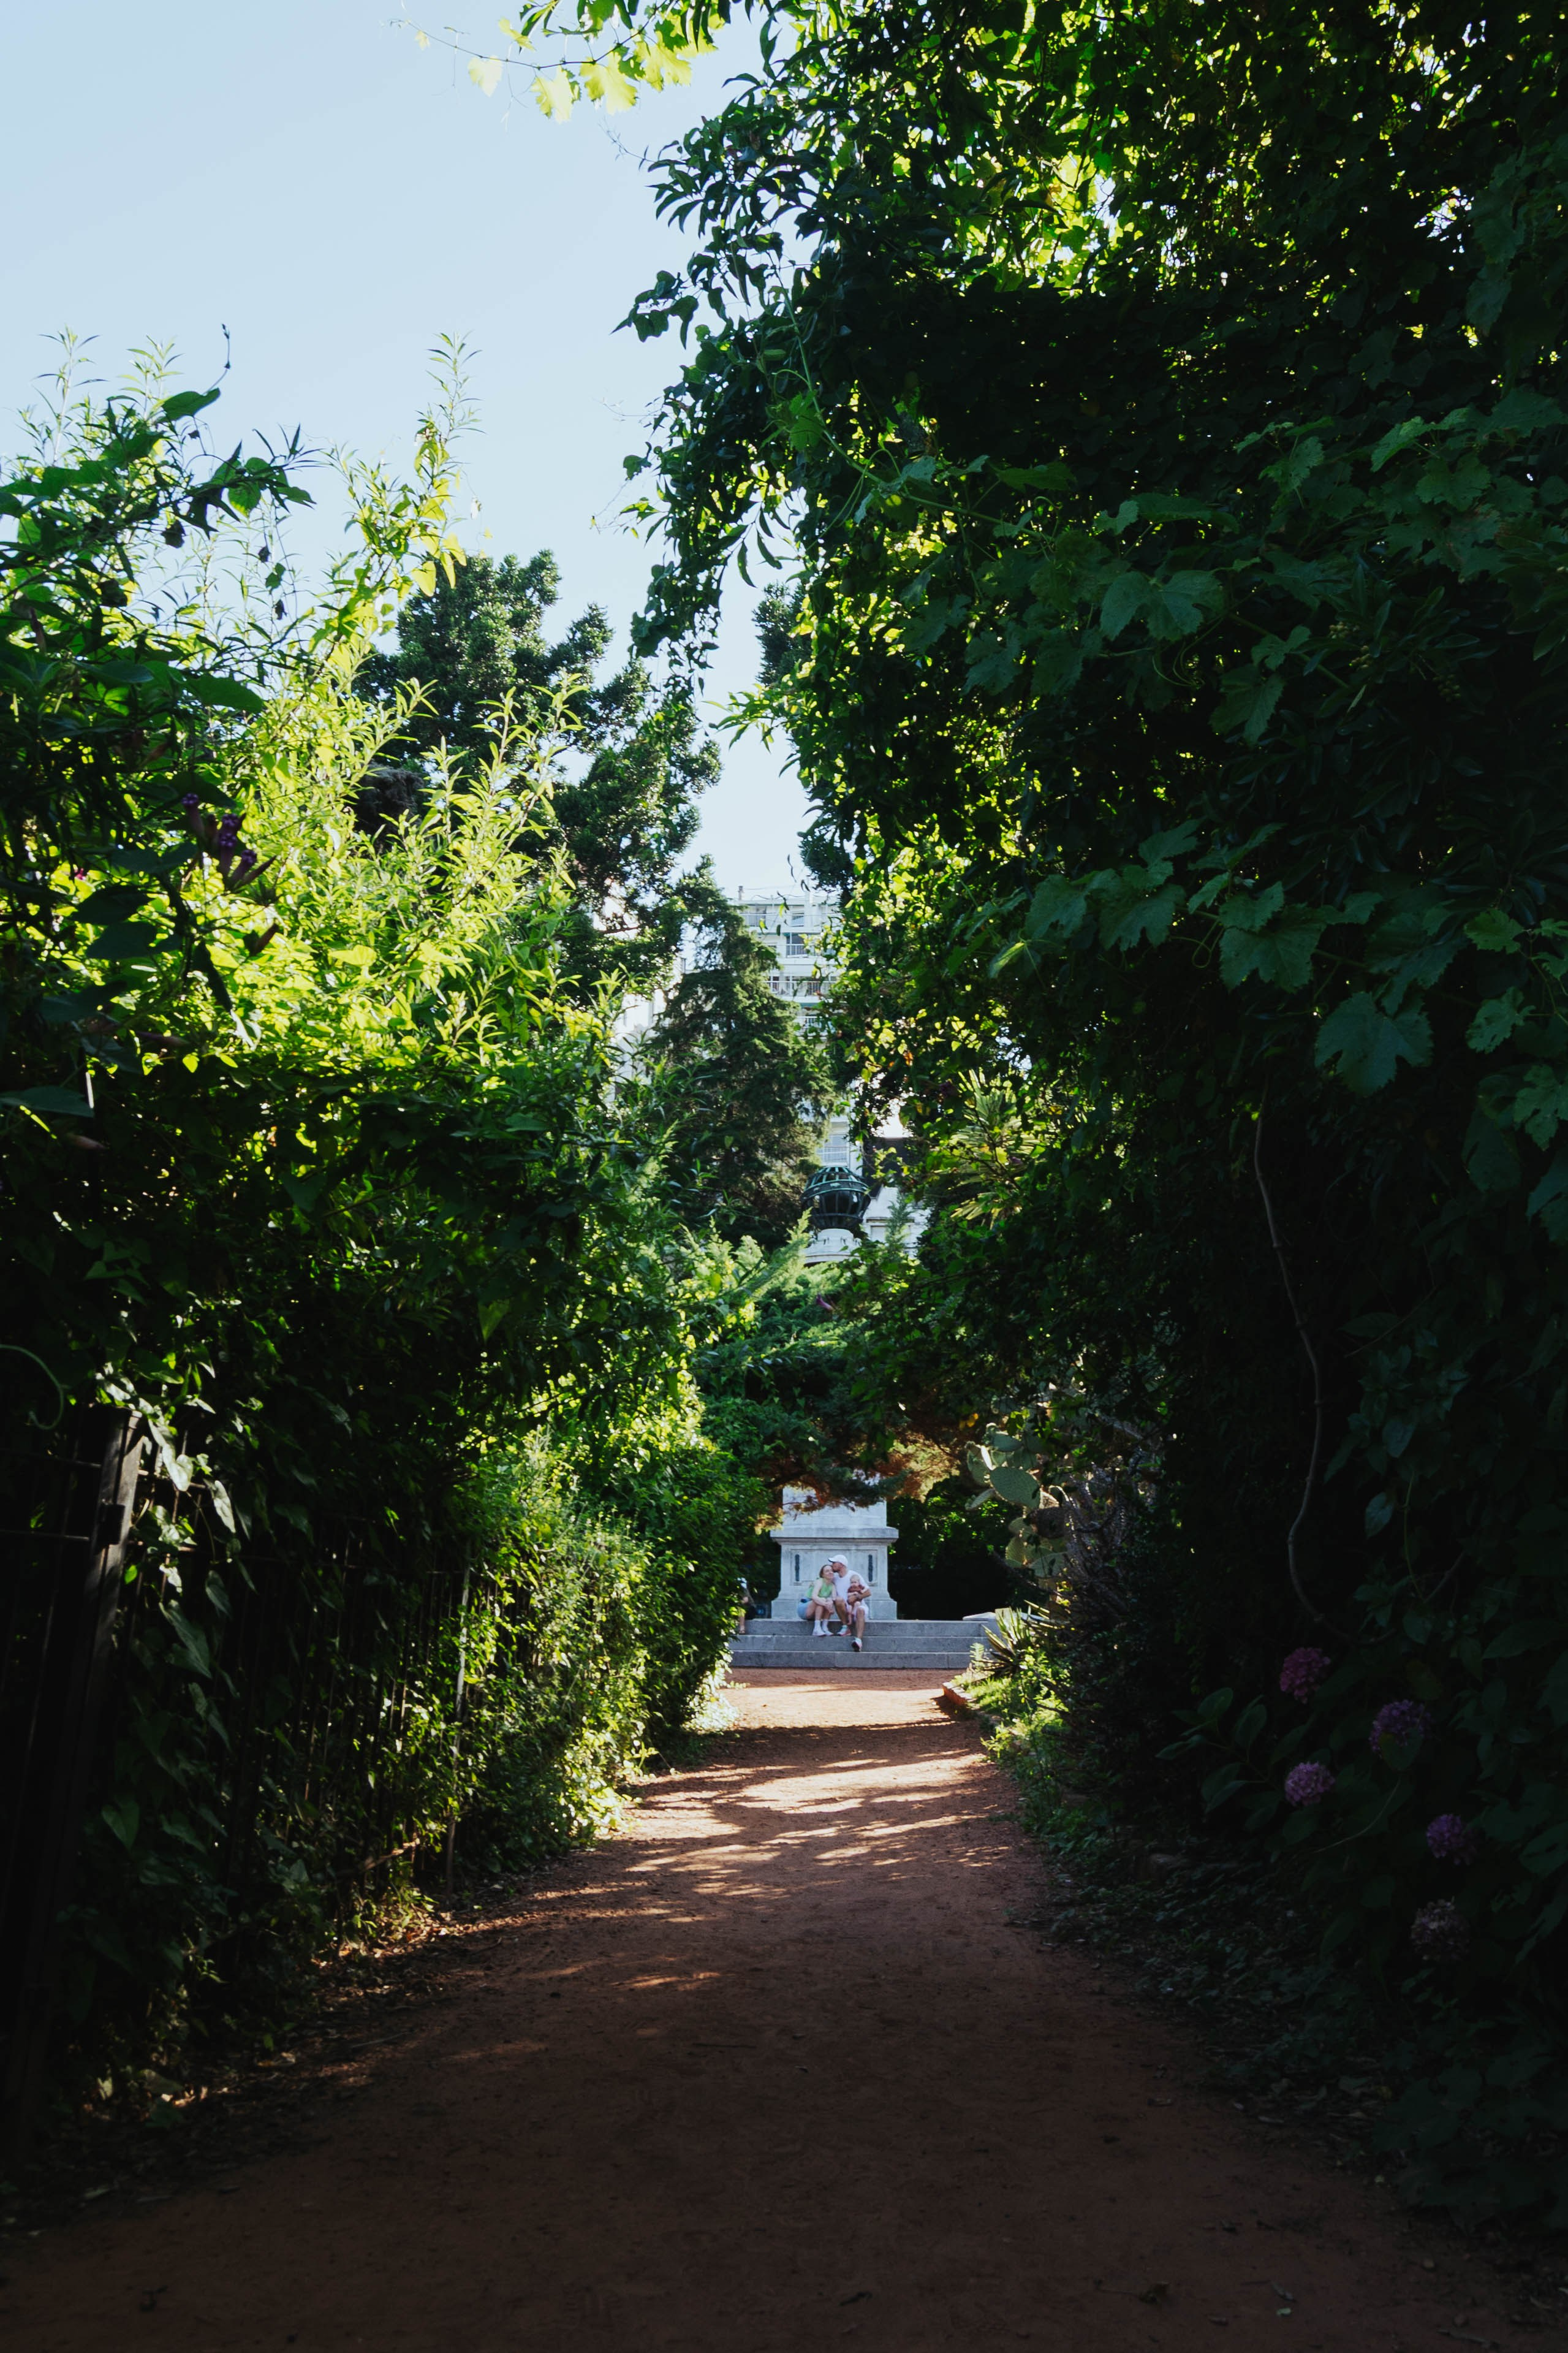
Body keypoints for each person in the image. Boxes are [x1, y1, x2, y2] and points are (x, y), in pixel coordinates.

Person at [829, 1557, 871, 1651]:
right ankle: (845, 1627)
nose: (832, 1565)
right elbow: (824, 1582)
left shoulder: (854, 1575)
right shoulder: (835, 1579)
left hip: (858, 1606)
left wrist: (856, 1597)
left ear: (842, 1565)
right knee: (838, 1600)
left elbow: (868, 1592)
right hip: (845, 1608)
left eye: (834, 1563)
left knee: (860, 1609)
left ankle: (858, 1641)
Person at [805, 1564, 838, 1636]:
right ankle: (817, 1628)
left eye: (832, 1571)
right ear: (823, 1575)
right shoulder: (819, 1581)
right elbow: (814, 1597)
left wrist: (830, 1602)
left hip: (817, 1610)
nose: (830, 1572)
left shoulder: (832, 1586)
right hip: (806, 1609)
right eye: (827, 1571)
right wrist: (826, 1604)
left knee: (828, 1601)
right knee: (822, 1600)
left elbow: (834, 1598)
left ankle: (824, 1628)